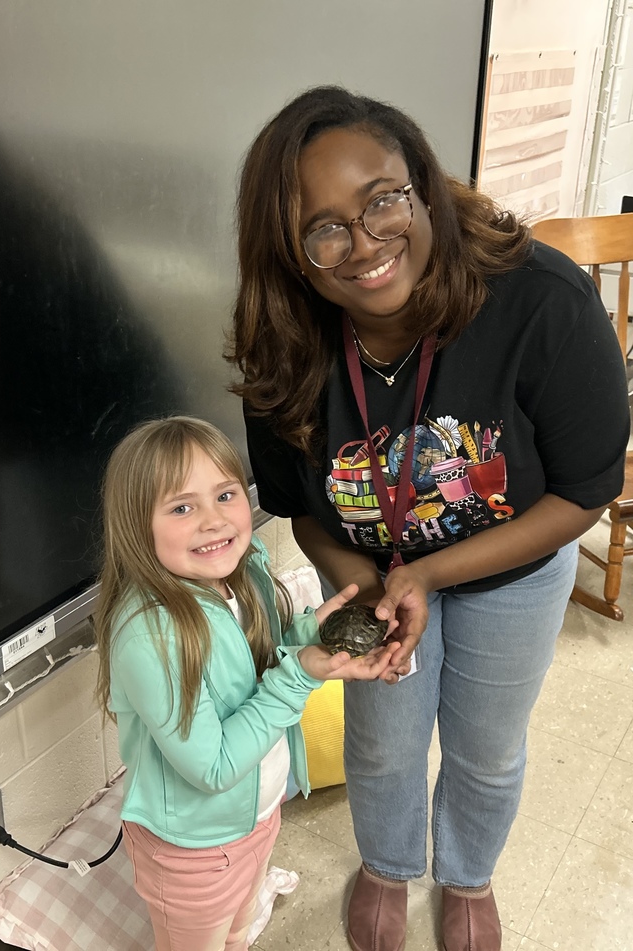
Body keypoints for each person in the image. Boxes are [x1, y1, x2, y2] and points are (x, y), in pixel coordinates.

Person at [228, 85, 630, 951]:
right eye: (324, 229)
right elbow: (301, 510)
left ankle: (467, 874)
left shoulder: (542, 302)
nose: (366, 244)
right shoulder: (283, 341)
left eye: (382, 200)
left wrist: (430, 572)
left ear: (421, 182)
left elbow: (585, 490)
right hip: (371, 576)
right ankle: (387, 864)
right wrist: (362, 580)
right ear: (291, 254)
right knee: (381, 742)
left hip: (517, 568)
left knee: (488, 746)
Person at [94, 415, 400, 951]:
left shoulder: (240, 572)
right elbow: (213, 767)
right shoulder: (150, 636)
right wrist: (299, 676)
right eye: (182, 507)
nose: (213, 520)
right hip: (194, 853)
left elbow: (251, 666)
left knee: (239, 931)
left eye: (225, 494)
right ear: (136, 526)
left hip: (259, 817)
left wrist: (309, 635)